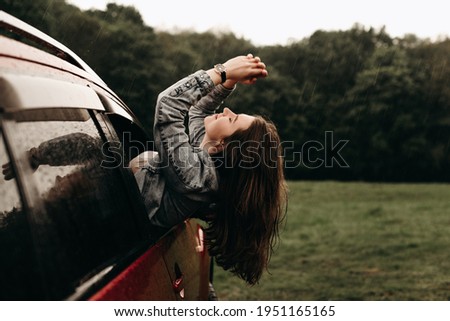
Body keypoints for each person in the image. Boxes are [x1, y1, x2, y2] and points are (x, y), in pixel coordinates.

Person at [134, 54, 288, 285]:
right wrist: (227, 83)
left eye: (232, 120)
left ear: (226, 146)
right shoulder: (207, 155)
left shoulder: (197, 176)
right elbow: (197, 112)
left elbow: (168, 106)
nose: (227, 111)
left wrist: (221, 71)